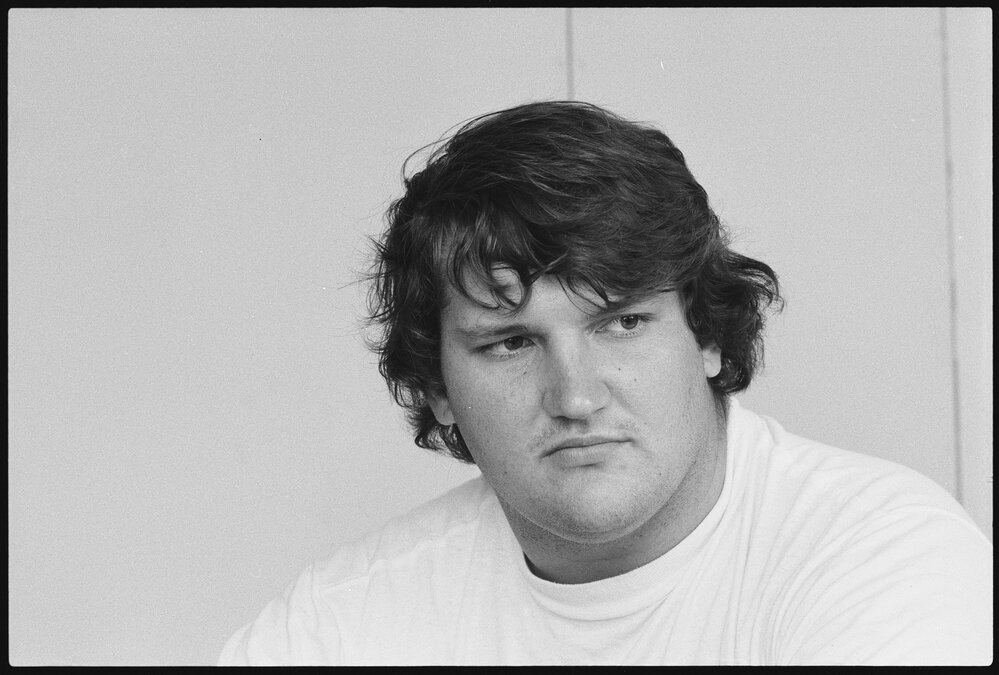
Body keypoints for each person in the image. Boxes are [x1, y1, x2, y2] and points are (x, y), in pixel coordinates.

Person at [219, 101, 992, 666]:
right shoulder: (343, 620)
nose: (576, 396)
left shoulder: (879, 555)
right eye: (510, 342)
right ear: (438, 388)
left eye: (620, 324)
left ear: (710, 337)